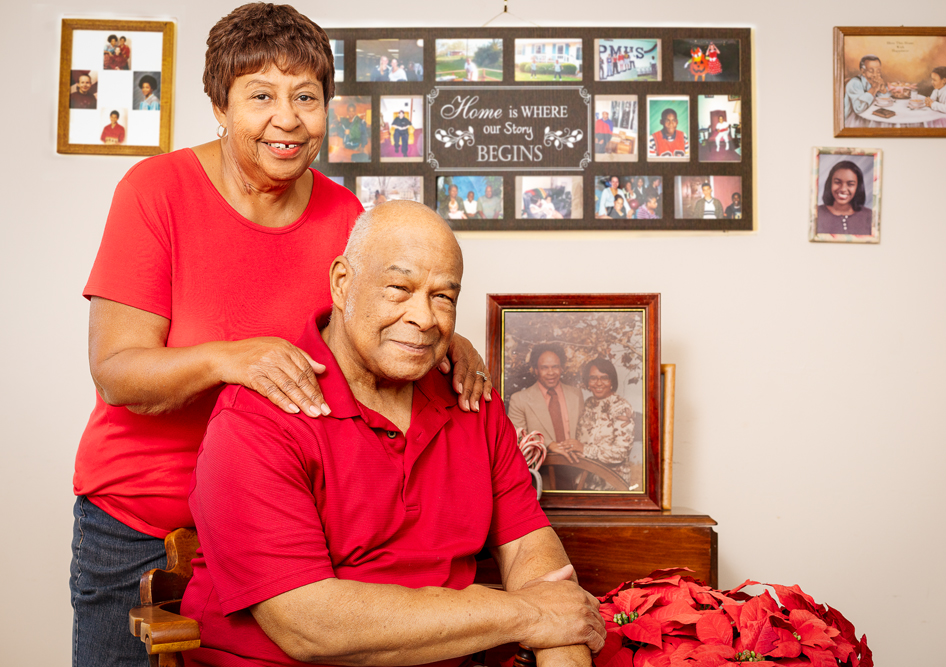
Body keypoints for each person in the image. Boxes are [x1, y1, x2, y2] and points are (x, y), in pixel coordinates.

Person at [70, 6, 491, 667]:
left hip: (291, 527)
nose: (287, 119)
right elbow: (117, 371)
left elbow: (373, 339)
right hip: (142, 525)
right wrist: (234, 359)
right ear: (219, 105)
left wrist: (445, 341)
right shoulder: (156, 191)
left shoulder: (346, 216)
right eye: (261, 95)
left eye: (306, 97)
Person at [180, 203, 605, 667]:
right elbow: (308, 624)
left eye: (443, 297)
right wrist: (527, 615)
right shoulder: (256, 419)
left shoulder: (471, 399)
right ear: (343, 283)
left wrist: (562, 645)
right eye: (399, 289)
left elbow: (531, 550)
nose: (424, 317)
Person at [562, 358, 635, 491]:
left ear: (612, 381)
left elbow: (621, 452)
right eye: (593, 378)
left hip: (611, 484)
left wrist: (584, 449)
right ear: (587, 382)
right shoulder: (588, 404)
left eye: (604, 378)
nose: (599, 383)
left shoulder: (622, 407)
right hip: (584, 482)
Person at [508, 343, 584, 462]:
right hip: (541, 472)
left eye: (555, 367)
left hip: (578, 468)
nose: (551, 372)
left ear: (561, 368)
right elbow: (516, 441)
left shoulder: (576, 395)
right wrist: (549, 444)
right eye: (544, 368)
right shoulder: (519, 400)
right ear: (536, 370)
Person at [815, 160, 872, 235]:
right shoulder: (816, 213)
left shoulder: (870, 216)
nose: (843, 189)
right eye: (837, 182)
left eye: (850, 184)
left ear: (858, 187)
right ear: (830, 184)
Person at [844, 55, 889, 127]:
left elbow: (886, 99)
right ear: (863, 72)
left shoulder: (873, 81)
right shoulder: (855, 83)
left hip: (871, 116)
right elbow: (858, 108)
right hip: (855, 120)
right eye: (871, 71)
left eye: (878, 71)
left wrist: (882, 89)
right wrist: (873, 89)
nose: (875, 75)